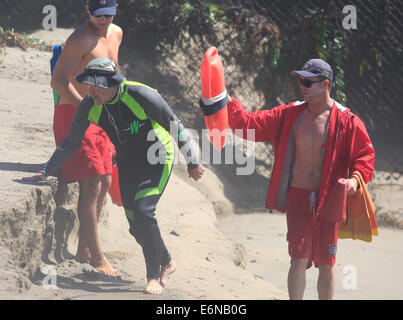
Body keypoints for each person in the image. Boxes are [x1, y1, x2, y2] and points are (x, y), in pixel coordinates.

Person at [18, 58, 205, 295]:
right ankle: (167, 262)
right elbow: (71, 142)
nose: (91, 90)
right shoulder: (89, 104)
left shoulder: (141, 95)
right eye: (89, 85)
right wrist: (45, 170)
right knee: (136, 226)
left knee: (144, 210)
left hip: (156, 156)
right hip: (127, 162)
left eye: (96, 85)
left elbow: (175, 125)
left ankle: (154, 276)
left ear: (112, 83)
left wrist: (192, 162)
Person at [221, 59, 375, 299]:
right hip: (297, 197)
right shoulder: (289, 115)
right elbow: (248, 125)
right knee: (299, 258)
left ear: (325, 84)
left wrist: (355, 181)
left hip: (330, 200)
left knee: (326, 263)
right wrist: (224, 100)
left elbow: (364, 156)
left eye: (307, 81)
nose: (302, 86)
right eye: (300, 81)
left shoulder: (347, 121)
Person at [50, 0, 122, 277]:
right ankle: (97, 258)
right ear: (87, 10)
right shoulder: (79, 39)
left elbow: (115, 76)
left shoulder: (116, 33)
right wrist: (85, 109)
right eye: (99, 14)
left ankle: (84, 248)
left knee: (105, 180)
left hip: (102, 113)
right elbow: (58, 81)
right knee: (91, 183)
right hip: (75, 113)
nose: (104, 20)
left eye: (110, 13)